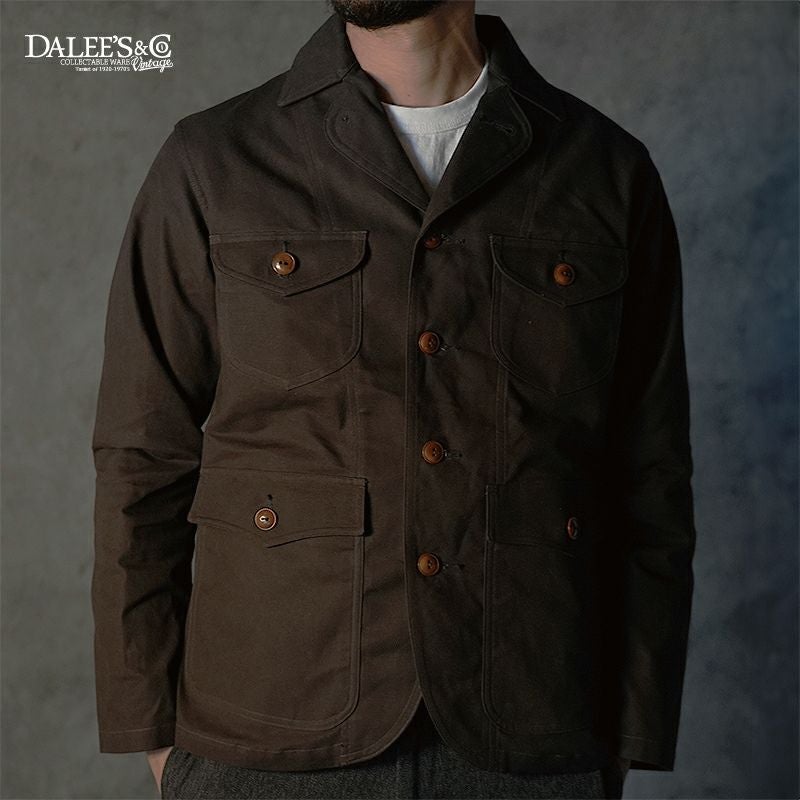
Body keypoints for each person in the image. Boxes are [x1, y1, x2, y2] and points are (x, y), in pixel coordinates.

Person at [90, 1, 696, 798]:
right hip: (267, 728)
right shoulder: (215, 161)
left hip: (530, 730)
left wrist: (629, 731)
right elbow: (142, 456)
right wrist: (151, 727)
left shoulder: (604, 171)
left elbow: (652, 472)